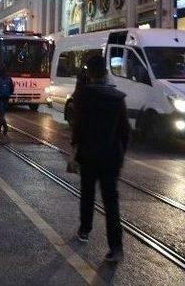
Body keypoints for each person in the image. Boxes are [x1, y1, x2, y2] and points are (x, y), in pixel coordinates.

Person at [72, 54, 129, 263]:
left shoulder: (84, 97)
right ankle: (116, 247)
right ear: (105, 74)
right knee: (111, 202)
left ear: (89, 74)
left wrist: (76, 150)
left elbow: (78, 128)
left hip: (89, 155)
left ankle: (85, 230)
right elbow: (124, 132)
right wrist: (120, 156)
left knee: (87, 194)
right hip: (111, 158)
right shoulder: (118, 98)